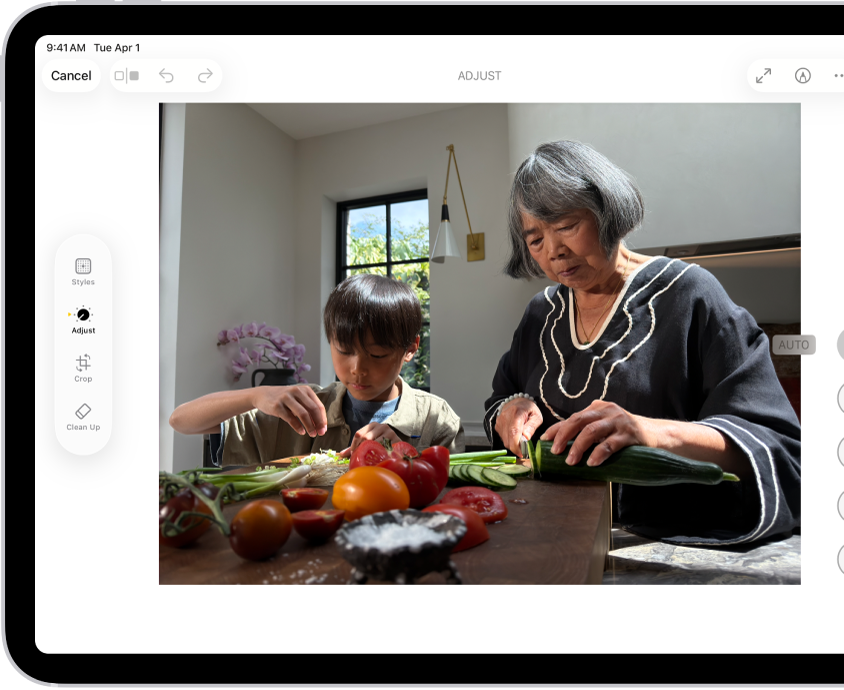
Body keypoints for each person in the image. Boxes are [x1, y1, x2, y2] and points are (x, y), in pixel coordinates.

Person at [484, 140, 800, 546]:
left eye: (565, 227)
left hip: (664, 543)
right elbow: (500, 398)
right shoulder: (540, 313)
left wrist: (650, 432)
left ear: (607, 209)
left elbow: (776, 445)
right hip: (556, 536)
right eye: (535, 240)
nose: (554, 252)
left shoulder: (689, 295)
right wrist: (510, 409)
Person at [170, 274, 464, 466]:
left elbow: (452, 495)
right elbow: (181, 420)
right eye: (344, 350)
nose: (357, 369)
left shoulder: (434, 419)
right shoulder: (300, 410)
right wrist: (257, 396)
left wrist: (407, 457)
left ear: (411, 348)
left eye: (377, 354)